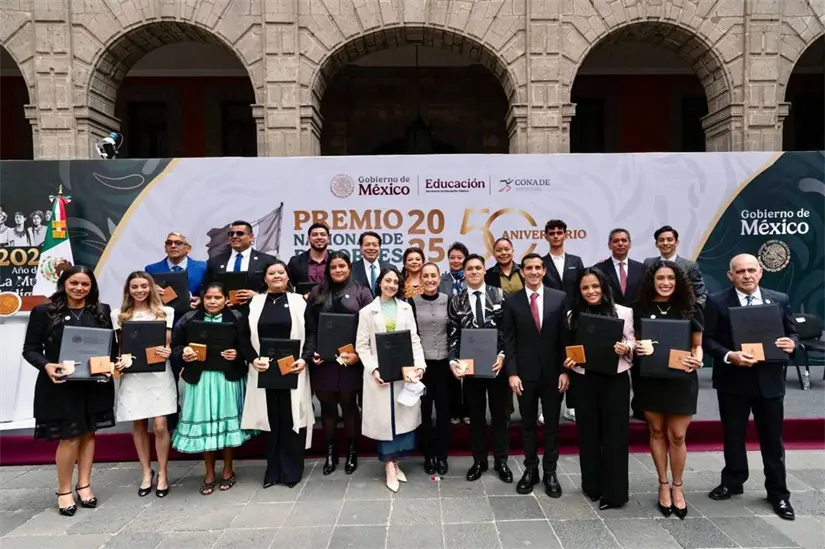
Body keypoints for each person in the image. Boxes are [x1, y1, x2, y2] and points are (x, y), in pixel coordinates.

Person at [703, 254, 798, 521]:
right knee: (733, 436)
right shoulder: (716, 301)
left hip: (770, 382)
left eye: (751, 270)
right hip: (733, 381)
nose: (746, 275)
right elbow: (707, 339)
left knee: (772, 441)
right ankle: (733, 481)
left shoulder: (779, 299)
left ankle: (778, 493)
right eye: (740, 271)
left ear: (760, 272)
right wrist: (728, 355)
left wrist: (792, 343)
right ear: (730, 275)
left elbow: (792, 332)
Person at [22, 265, 117, 516]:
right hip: (61, 385)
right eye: (74, 283)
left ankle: (84, 485)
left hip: (94, 384)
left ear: (91, 287)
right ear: (64, 283)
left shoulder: (101, 310)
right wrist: (47, 365)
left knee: (89, 434)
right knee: (70, 436)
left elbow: (111, 347)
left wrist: (109, 367)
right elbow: (30, 349)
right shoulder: (44, 311)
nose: (79, 288)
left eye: (85, 284)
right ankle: (64, 490)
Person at [633, 259, 704, 519]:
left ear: (679, 281)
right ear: (652, 281)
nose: (665, 283)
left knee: (677, 435)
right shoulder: (639, 308)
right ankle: (663, 484)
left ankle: (678, 486)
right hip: (650, 379)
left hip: (681, 379)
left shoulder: (690, 307)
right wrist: (638, 347)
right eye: (660, 278)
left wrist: (698, 359)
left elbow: (697, 345)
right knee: (656, 431)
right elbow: (633, 341)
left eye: (671, 278)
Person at [563, 268, 634, 508]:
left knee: (615, 436)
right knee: (588, 434)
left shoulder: (623, 312)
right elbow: (570, 347)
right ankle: (591, 486)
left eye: (595, 286)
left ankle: (615, 494)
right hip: (584, 380)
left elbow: (633, 341)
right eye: (585, 288)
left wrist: (627, 348)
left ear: (604, 287)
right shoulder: (573, 315)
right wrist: (568, 362)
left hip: (615, 379)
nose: (591, 291)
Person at [171, 283, 251, 495]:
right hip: (200, 380)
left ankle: (228, 469)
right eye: (208, 298)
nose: (213, 302)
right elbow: (175, 347)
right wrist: (184, 352)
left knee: (226, 425)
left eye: (217, 298)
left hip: (227, 378)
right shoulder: (188, 319)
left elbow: (248, 346)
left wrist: (237, 354)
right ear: (202, 299)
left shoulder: (237, 318)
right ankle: (208, 473)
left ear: (226, 299)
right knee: (206, 425)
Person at [240, 261, 314, 488]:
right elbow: (242, 336)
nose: (276, 276)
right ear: (265, 278)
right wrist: (253, 359)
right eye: (271, 273)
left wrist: (305, 358)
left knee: (291, 418)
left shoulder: (300, 302)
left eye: (281, 272)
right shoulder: (254, 303)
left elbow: (312, 333)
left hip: (293, 369)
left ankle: (292, 471)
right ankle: (272, 471)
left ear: (288, 276)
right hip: (264, 370)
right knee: (271, 419)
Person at [502, 253, 568, 497]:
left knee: (552, 425)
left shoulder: (560, 298)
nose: (533, 272)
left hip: (553, 375)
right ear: (522, 272)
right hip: (524, 376)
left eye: (537, 267)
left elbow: (565, 338)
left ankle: (550, 472)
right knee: (528, 425)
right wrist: (512, 373)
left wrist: (565, 371)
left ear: (544, 271)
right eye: (528, 268)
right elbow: (509, 340)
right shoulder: (512, 301)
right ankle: (531, 470)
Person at [356, 266, 427, 492]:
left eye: (396, 282)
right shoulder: (367, 312)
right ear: (379, 283)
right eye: (387, 281)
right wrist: (374, 369)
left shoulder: (406, 308)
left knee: (401, 417)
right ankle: (389, 466)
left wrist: (420, 366)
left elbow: (414, 339)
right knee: (385, 421)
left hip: (404, 372)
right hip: (380, 374)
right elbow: (362, 346)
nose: (391, 285)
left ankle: (396, 462)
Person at [302, 250, 374, 475]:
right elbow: (310, 327)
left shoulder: (362, 292)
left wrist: (358, 355)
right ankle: (331, 451)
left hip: (351, 360)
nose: (338, 270)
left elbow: (370, 328)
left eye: (342, 266)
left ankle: (352, 451)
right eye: (333, 267)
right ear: (328, 270)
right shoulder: (317, 292)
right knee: (327, 407)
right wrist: (312, 352)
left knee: (349, 405)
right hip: (323, 361)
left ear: (349, 267)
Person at [447, 254, 512, 483]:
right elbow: (453, 334)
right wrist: (452, 361)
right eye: (469, 269)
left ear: (484, 270)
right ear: (464, 273)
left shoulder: (500, 295)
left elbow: (508, 330)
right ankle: (479, 461)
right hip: (470, 368)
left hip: (497, 366)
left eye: (477, 268)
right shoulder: (457, 301)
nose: (474, 272)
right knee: (475, 416)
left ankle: (501, 461)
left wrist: (503, 355)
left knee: (500, 415)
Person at [111, 271, 176, 498]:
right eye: (135, 287)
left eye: (144, 286)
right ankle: (146, 472)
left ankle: (163, 472)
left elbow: (167, 344)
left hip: (158, 374)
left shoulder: (165, 312)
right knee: (138, 424)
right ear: (128, 290)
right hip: (134, 375)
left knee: (160, 425)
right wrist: (118, 362)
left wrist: (167, 351)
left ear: (151, 287)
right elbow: (119, 347)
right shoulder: (118, 315)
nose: (139, 290)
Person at [592, 228, 645, 420]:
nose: (620, 244)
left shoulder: (642, 268)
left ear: (630, 244)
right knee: (613, 369)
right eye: (616, 241)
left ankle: (639, 408)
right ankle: (609, 408)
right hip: (608, 324)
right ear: (609, 245)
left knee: (639, 369)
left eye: (624, 240)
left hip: (637, 325)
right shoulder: (599, 269)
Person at [410, 262, 451, 475]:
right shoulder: (411, 303)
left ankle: (442, 455)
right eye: (425, 276)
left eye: (433, 275)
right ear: (420, 278)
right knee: (424, 411)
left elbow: (454, 330)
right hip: (422, 367)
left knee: (444, 411)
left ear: (439, 278)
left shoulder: (448, 300)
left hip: (444, 365)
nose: (429, 280)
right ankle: (428, 455)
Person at [541, 219, 583, 423]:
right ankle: (546, 407)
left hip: (573, 319)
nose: (556, 236)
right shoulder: (540, 263)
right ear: (546, 236)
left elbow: (582, 289)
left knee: (573, 359)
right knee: (550, 362)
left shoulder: (576, 261)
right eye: (552, 233)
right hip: (549, 320)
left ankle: (572, 405)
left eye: (559, 232)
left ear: (566, 235)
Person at [204, 220, 277, 307]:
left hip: (256, 309)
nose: (234, 236)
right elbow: (205, 287)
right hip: (224, 310)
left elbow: (278, 287)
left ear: (251, 237)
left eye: (240, 233)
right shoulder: (215, 261)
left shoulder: (267, 260)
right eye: (231, 234)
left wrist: (258, 296)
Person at [643, 225, 708, 307]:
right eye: (661, 240)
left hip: (681, 310)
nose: (665, 243)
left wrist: (694, 310)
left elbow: (701, 293)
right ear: (656, 244)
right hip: (654, 310)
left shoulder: (690, 266)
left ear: (677, 242)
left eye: (669, 240)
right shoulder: (648, 263)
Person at [145, 231, 208, 313]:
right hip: (163, 316)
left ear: (188, 249)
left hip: (194, 315)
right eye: (169, 243)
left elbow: (211, 290)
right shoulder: (151, 270)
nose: (173, 246)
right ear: (165, 248)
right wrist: (151, 291)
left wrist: (202, 299)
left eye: (178, 243)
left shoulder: (203, 268)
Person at [351, 231, 393, 296]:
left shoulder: (390, 268)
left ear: (379, 248)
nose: (371, 248)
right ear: (361, 248)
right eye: (367, 244)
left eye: (375, 245)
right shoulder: (351, 269)